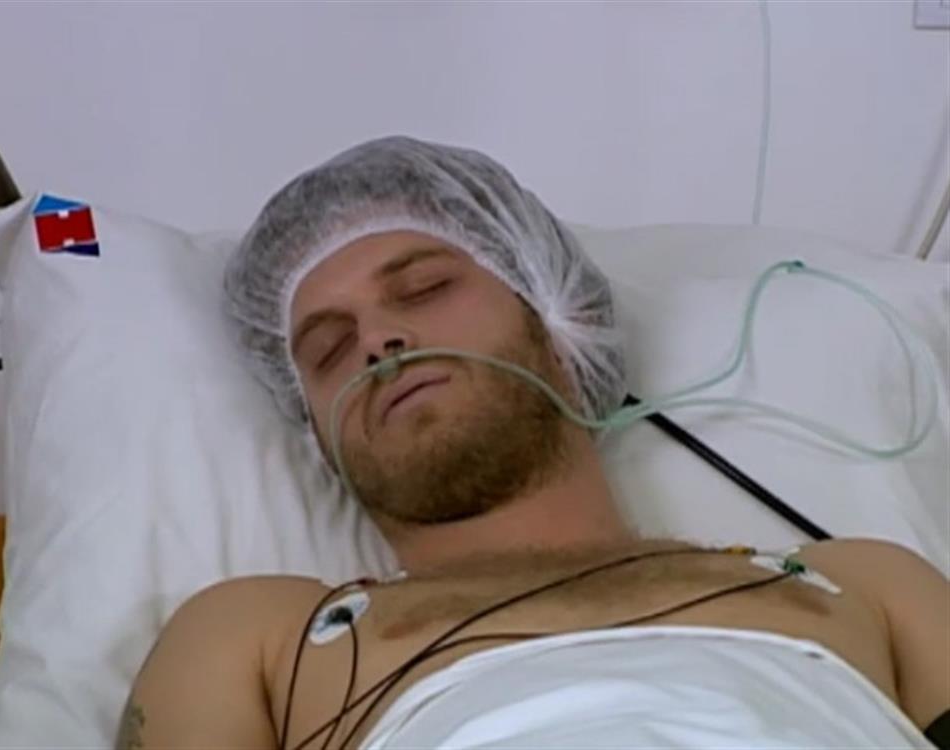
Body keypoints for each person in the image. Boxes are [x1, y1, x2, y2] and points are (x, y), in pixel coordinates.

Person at [116, 137, 949, 750]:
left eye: (425, 289)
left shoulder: (865, 582)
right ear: (320, 441)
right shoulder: (259, 637)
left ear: (560, 320)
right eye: (328, 349)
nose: (377, 342)